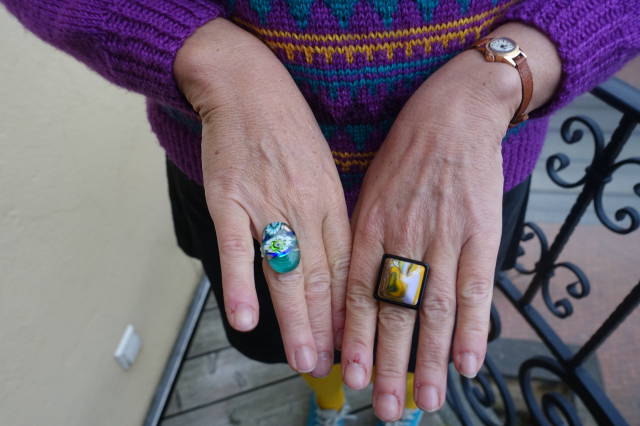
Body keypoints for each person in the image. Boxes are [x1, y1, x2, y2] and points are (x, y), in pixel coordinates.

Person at [3, 0, 638, 424]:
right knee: (298, 340)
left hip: (461, 189)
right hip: (246, 190)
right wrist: (210, 58)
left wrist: (508, 72)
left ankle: (403, 406)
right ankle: (329, 399)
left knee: (418, 335)